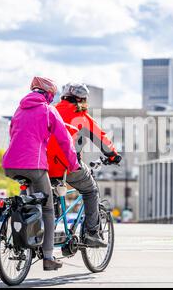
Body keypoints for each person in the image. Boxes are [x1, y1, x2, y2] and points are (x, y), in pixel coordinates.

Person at [2, 77, 80, 271]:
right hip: (34, 166)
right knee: (47, 208)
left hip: (10, 164)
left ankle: (25, 240)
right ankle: (47, 257)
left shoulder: (19, 110)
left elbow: (13, 133)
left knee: (27, 201)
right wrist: (73, 165)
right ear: (48, 94)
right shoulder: (48, 110)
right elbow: (64, 141)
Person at [47, 82, 121, 247]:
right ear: (81, 99)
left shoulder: (50, 111)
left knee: (49, 195)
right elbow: (102, 140)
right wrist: (113, 155)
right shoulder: (81, 116)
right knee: (90, 190)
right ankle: (91, 233)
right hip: (66, 166)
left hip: (41, 166)